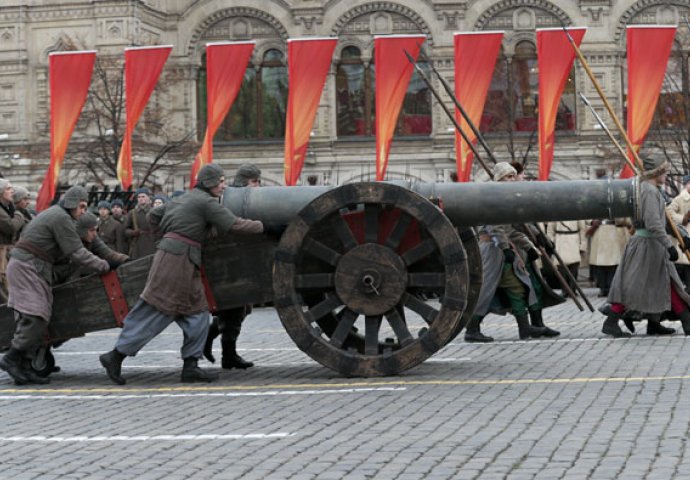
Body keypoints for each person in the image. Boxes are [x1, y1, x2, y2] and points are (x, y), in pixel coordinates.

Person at [100, 164, 264, 385]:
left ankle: (191, 366)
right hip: (176, 261)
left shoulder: (184, 199)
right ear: (208, 183)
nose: (224, 185)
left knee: (198, 313)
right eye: (220, 181)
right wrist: (263, 225)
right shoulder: (205, 202)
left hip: (184, 259)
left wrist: (164, 239)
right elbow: (233, 224)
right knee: (157, 310)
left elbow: (153, 215)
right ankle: (115, 356)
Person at [0, 186, 110, 385]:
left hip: (33, 266)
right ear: (72, 203)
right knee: (35, 316)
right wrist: (103, 266)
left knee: (41, 316)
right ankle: (12, 358)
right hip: (27, 265)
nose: (84, 210)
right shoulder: (60, 217)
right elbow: (76, 252)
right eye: (82, 206)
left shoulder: (61, 216)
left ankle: (25, 366)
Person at [602, 157, 690, 337]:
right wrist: (669, 246)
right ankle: (610, 321)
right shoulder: (648, 191)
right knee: (634, 285)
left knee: (665, 283)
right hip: (646, 246)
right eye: (664, 171)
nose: (666, 174)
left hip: (653, 245)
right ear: (656, 172)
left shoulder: (653, 189)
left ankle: (657, 323)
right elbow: (653, 223)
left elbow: (665, 220)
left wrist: (682, 236)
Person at [465, 162, 549, 342]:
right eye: (509, 176)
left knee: (517, 287)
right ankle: (472, 329)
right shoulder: (493, 198)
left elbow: (511, 230)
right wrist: (505, 248)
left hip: (501, 250)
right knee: (485, 290)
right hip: (491, 250)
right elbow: (494, 228)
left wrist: (529, 246)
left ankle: (525, 328)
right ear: (500, 179)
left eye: (513, 176)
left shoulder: (505, 198)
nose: (513, 179)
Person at [204, 163, 262, 369]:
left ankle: (223, 349)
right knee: (234, 310)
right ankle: (225, 352)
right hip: (229, 262)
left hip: (239, 260)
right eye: (255, 181)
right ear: (245, 181)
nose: (258, 185)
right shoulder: (235, 199)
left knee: (239, 310)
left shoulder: (239, 197)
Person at [0, 179, 25, 301]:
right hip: (2, 253)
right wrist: (19, 214)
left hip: (7, 251)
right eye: (8, 188)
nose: (12, 191)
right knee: (5, 286)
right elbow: (11, 227)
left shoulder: (7, 207)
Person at [546, 220, 587, 294]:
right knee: (561, 267)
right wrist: (551, 243)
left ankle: (572, 290)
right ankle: (564, 290)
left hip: (574, 240)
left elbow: (582, 229)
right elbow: (550, 230)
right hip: (560, 241)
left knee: (574, 267)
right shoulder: (554, 211)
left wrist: (582, 245)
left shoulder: (576, 210)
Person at [666, 174, 690, 293]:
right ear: (686, 185)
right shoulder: (680, 199)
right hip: (685, 236)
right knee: (686, 271)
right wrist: (683, 219)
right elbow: (669, 213)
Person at [124, 187, 156, 259]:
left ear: (148, 197)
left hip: (152, 244)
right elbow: (126, 230)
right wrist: (133, 232)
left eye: (143, 196)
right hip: (137, 245)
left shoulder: (154, 212)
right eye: (139, 197)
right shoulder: (132, 213)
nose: (141, 198)